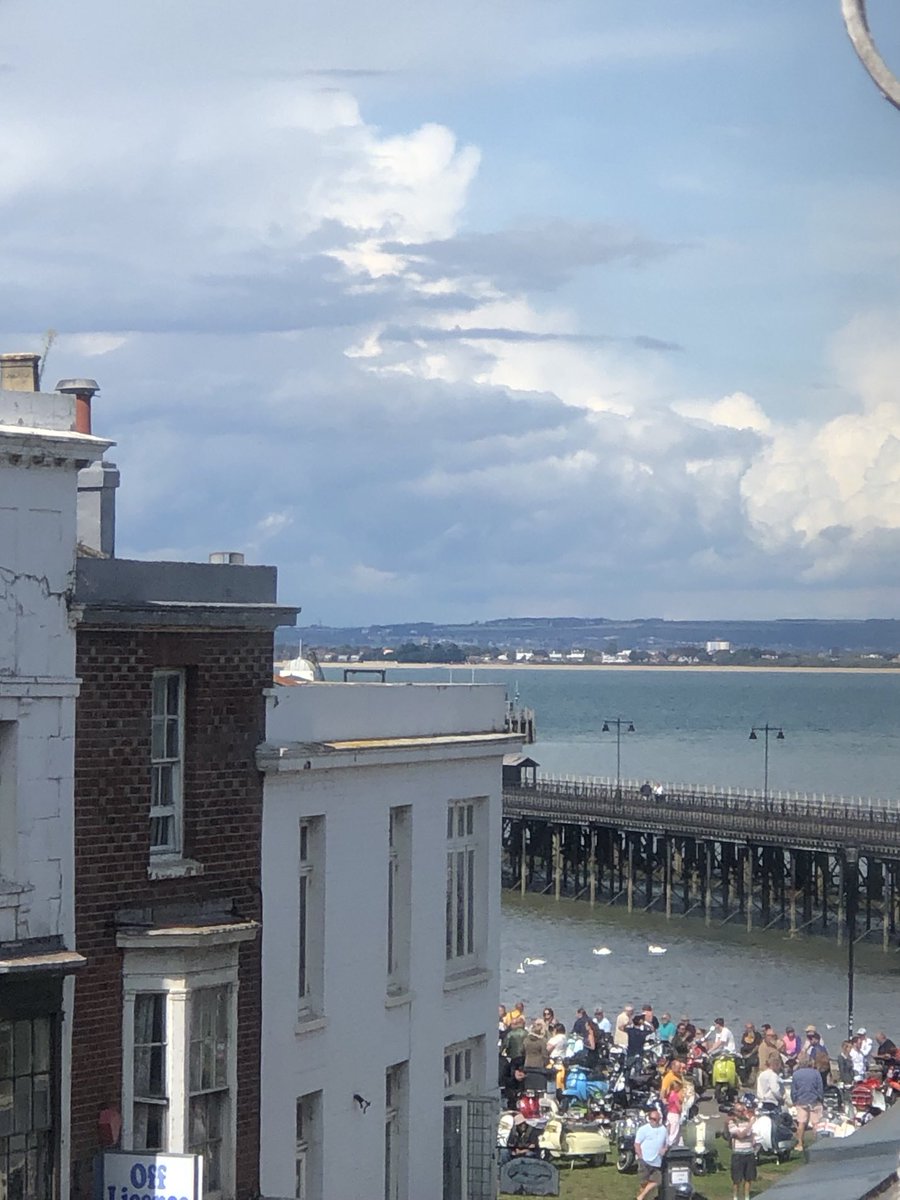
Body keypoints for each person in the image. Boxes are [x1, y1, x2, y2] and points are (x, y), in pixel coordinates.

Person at [726, 1100, 758, 1200]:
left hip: (749, 1152)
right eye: (739, 1111)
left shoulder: (748, 1120)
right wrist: (750, 1125)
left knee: (749, 1178)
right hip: (738, 1154)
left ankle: (747, 1197)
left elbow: (753, 1132)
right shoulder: (732, 1122)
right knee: (737, 1179)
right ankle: (735, 1197)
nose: (742, 1112)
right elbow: (740, 1135)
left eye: (743, 1110)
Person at [634, 1107, 668, 1200]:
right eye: (652, 1119)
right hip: (644, 1160)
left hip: (657, 1162)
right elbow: (637, 1144)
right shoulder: (643, 1129)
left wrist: (664, 1149)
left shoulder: (663, 1130)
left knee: (658, 1181)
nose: (653, 1121)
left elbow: (666, 1143)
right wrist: (640, 1157)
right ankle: (642, 1197)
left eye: (656, 1119)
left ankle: (641, 1197)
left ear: (659, 1119)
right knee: (644, 1184)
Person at [791, 1061, 825, 1152]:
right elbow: (820, 1087)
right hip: (814, 1100)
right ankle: (818, 1143)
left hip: (801, 1100)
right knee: (816, 1123)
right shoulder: (816, 1073)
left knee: (801, 1123)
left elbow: (794, 1089)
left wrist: (794, 1100)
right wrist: (820, 1098)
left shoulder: (796, 1074)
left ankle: (800, 1144)